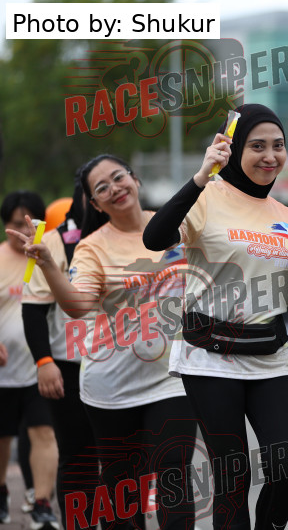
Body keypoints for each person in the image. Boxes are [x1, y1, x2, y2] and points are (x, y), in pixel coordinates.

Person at [142, 104, 288, 530]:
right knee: (233, 476)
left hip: (269, 357)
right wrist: (200, 177)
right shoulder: (207, 197)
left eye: (278, 146)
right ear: (235, 149)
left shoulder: (287, 216)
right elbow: (154, 238)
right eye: (257, 146)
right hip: (210, 355)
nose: (270, 156)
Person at [6, 156, 196, 530]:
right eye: (101, 188)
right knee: (115, 487)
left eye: (118, 178)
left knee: (173, 470)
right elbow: (69, 306)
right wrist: (47, 266)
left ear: (135, 179)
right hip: (106, 382)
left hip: (172, 375)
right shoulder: (85, 246)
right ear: (93, 202)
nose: (114, 188)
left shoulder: (177, 224)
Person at [22, 179, 102, 530]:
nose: (106, 195)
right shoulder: (53, 241)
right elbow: (32, 309)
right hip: (69, 366)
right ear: (81, 196)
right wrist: (44, 362)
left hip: (122, 362)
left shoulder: (134, 234)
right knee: (78, 455)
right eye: (96, 189)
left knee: (125, 456)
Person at [0, 190, 60, 530]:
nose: (23, 232)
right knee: (3, 437)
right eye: (15, 224)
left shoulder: (50, 256)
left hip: (41, 366)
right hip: (3, 371)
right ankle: (1, 491)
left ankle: (42, 502)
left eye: (31, 225)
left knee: (44, 432)